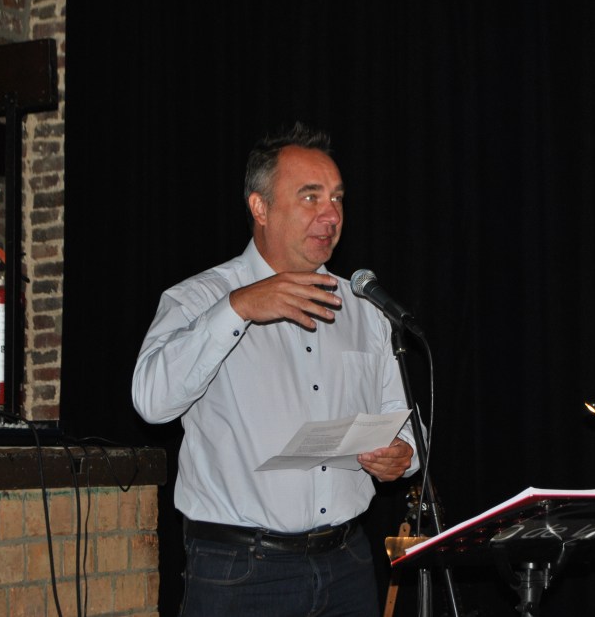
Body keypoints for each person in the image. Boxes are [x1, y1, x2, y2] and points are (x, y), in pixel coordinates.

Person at [132, 122, 418, 617]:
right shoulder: (200, 297)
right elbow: (151, 402)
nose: (331, 214)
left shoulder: (363, 308)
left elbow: (402, 416)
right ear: (260, 207)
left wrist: (404, 453)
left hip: (347, 563)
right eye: (311, 197)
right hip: (241, 572)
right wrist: (237, 309)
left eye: (337, 198)